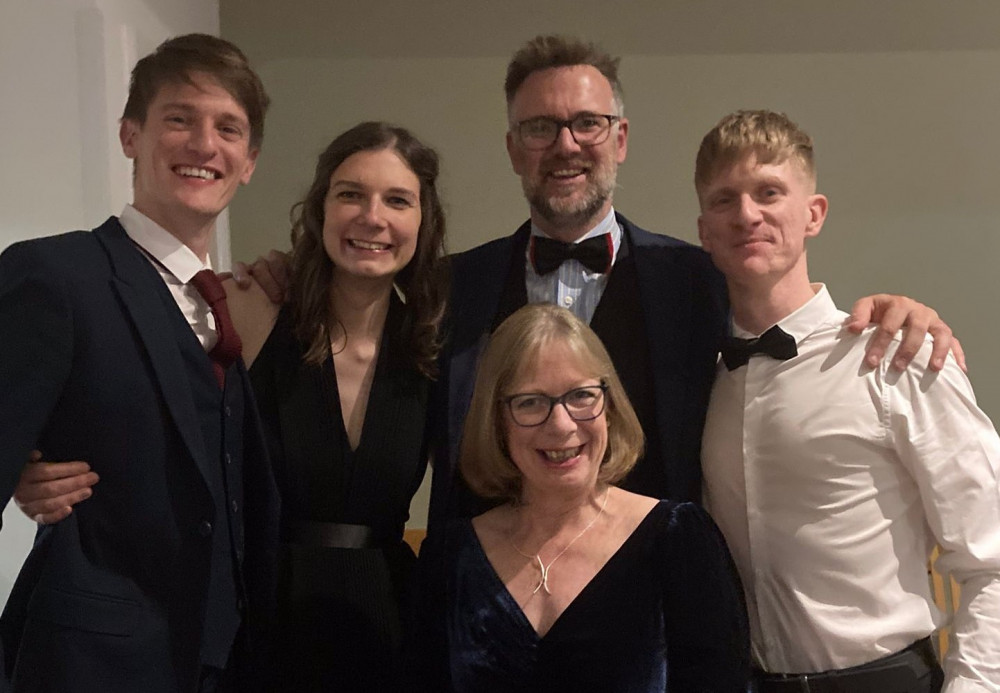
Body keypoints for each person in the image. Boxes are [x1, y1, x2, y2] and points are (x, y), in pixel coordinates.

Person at [426, 34, 960, 528]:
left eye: (588, 122)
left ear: (620, 139)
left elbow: (785, 315)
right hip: (486, 599)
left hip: (657, 601)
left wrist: (904, 313)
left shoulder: (700, 278)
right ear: (514, 149)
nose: (566, 144)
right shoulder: (453, 287)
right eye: (540, 127)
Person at [0, 34, 279, 693]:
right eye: (178, 118)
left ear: (249, 162)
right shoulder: (54, 274)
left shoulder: (236, 306)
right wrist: (18, 473)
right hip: (92, 666)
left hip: (226, 659)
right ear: (130, 134)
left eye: (228, 128)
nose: (203, 144)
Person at [696, 110, 1000, 692]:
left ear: (813, 214)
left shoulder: (899, 356)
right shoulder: (697, 382)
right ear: (705, 230)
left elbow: (990, 557)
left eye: (769, 192)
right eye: (724, 199)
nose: (747, 214)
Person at [409, 303, 750, 692]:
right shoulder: (451, 557)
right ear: (497, 419)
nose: (561, 424)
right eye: (529, 402)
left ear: (610, 406)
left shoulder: (678, 539)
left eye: (581, 396)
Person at [226, 121, 447, 691]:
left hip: (391, 622)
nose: (372, 218)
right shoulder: (251, 311)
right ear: (320, 208)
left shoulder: (435, 348)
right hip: (259, 614)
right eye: (350, 193)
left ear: (422, 223)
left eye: (397, 200)